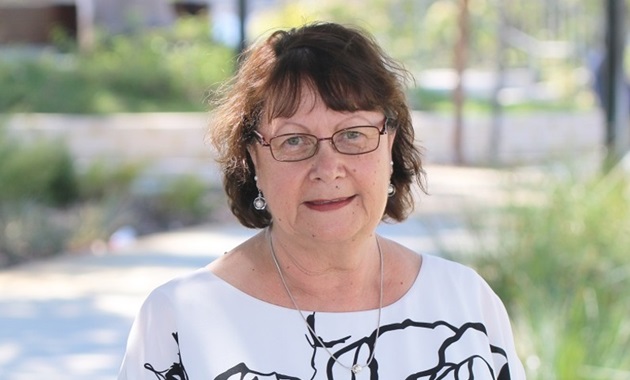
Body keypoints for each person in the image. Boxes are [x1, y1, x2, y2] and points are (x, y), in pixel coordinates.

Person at [117, 22, 526, 380]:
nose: (327, 168)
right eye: (293, 140)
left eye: (353, 134)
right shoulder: (177, 322)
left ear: (391, 145)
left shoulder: (465, 303)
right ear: (253, 158)